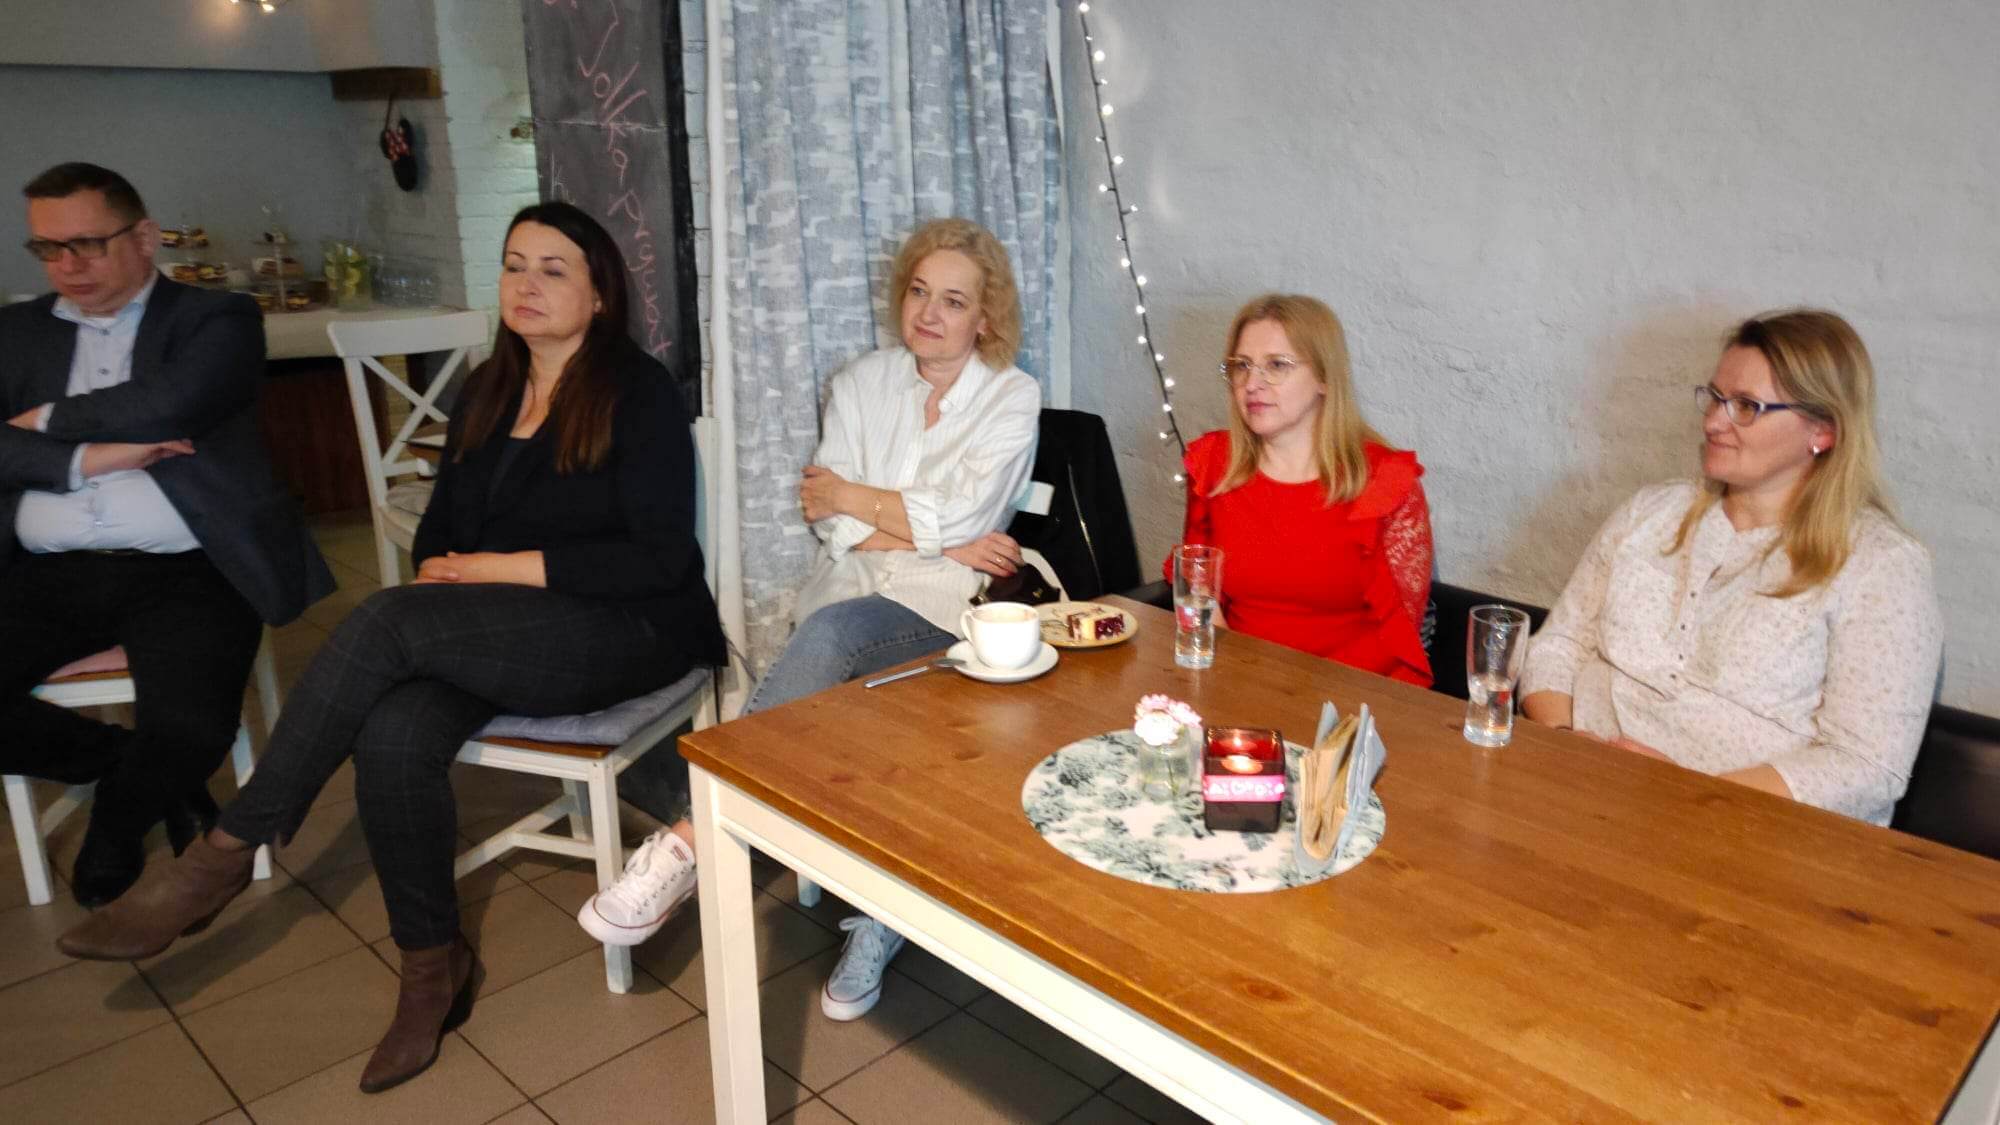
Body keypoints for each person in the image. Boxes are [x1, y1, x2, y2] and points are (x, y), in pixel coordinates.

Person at [56, 201, 726, 1093]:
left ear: (600, 294)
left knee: (384, 621)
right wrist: (451, 569)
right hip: (509, 630)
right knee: (395, 730)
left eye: (553, 269)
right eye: (513, 264)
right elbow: (439, 532)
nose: (525, 284)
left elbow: (659, 557)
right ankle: (430, 967)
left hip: (628, 630)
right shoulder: (487, 389)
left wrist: (489, 570)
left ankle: (224, 852)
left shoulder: (635, 392)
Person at [577, 217, 1041, 1023]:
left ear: (985, 318)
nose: (929, 312)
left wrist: (865, 501)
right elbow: (831, 525)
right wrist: (932, 530)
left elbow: (926, 509)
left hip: (944, 612)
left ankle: (687, 841)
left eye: (953, 300)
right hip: (851, 588)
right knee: (843, 665)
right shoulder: (861, 382)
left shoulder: (1012, 395)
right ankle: (883, 912)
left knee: (828, 640)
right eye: (918, 291)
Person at [0, 162, 333, 907]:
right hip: (44, 568)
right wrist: (92, 459)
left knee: (191, 725)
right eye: (48, 248)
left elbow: (174, 402)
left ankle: (119, 820)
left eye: (88, 244)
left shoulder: (217, 317)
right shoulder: (13, 333)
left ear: (145, 236)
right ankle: (128, 768)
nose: (68, 266)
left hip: (190, 564)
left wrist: (45, 420)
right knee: (159, 742)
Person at [1519, 309, 1942, 825]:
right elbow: (1557, 646)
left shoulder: (1882, 565)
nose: (1713, 422)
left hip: (1745, 834)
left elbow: (1866, 765)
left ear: (1823, 431)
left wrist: (1688, 795)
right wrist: (1565, 744)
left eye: (1746, 406)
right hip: (1573, 791)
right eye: (1715, 398)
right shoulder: (1651, 513)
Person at [1169, 294, 1433, 685]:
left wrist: (1298, 695)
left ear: (1325, 378)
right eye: (1242, 366)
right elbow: (1199, 590)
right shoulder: (1213, 464)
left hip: (1356, 693)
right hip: (1239, 682)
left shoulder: (1387, 481)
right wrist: (1233, 679)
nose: (1252, 384)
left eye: (1277, 365)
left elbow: (1397, 633)